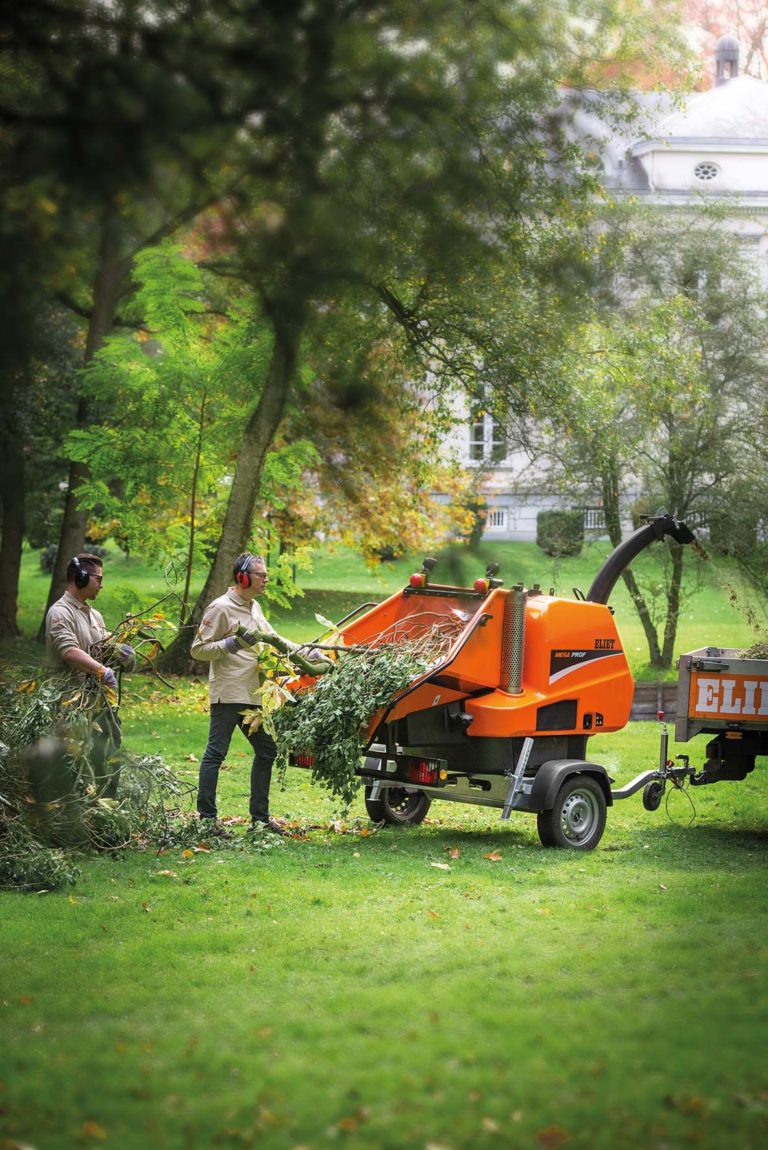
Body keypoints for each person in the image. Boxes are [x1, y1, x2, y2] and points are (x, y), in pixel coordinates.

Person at [191, 552, 295, 834]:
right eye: (261, 575)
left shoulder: (254, 607)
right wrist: (232, 644)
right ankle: (207, 821)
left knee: (267, 750)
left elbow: (273, 637)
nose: (266, 580)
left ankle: (259, 820)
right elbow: (198, 649)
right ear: (243, 578)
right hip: (228, 692)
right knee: (216, 754)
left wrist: (301, 651)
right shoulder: (220, 608)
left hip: (252, 693)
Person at [44, 552, 135, 796]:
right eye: (98, 579)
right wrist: (100, 669)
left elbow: (104, 650)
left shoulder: (95, 616)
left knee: (109, 757)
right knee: (73, 764)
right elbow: (69, 651)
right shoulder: (60, 613)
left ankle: (107, 809)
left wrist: (122, 654)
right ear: (81, 578)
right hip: (70, 703)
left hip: (100, 702)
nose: (101, 584)